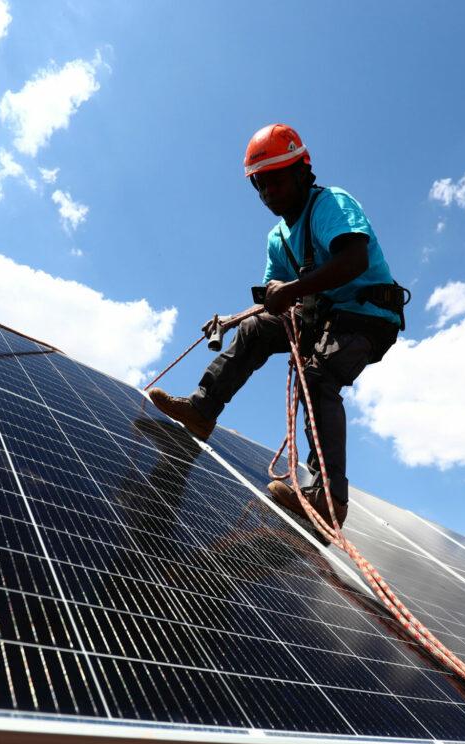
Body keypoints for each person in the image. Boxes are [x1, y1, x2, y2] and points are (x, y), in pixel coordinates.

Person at [147, 123, 404, 529]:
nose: (268, 194)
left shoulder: (331, 205)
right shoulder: (277, 238)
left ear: (303, 170)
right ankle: (202, 409)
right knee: (255, 330)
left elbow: (353, 259)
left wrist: (294, 290)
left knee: (317, 378)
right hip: (320, 318)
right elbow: (275, 294)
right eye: (260, 186)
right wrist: (272, 299)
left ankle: (329, 498)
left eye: (276, 181)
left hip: (367, 317)